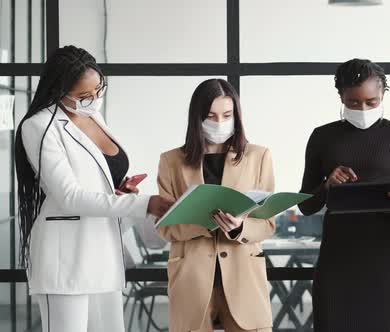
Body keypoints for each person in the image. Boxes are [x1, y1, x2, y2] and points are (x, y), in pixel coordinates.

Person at [14, 45, 173, 332]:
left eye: (99, 90)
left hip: (103, 252)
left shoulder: (94, 117)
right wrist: (144, 204)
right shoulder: (39, 127)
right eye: (84, 96)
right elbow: (69, 196)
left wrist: (118, 192)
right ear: (57, 91)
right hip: (67, 258)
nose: (94, 100)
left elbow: (94, 178)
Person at [298, 58, 390, 331]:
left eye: (371, 102)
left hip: (383, 258)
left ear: (383, 94)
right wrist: (327, 185)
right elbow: (305, 205)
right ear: (341, 96)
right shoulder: (322, 137)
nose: (362, 109)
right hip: (336, 259)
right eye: (352, 103)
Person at [156, 79, 275, 332]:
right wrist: (202, 223)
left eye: (227, 115)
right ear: (197, 117)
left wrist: (240, 227)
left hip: (244, 278)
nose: (219, 123)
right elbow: (164, 227)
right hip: (191, 279)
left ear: (237, 116)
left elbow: (267, 224)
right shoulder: (171, 161)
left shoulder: (258, 156)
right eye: (210, 116)